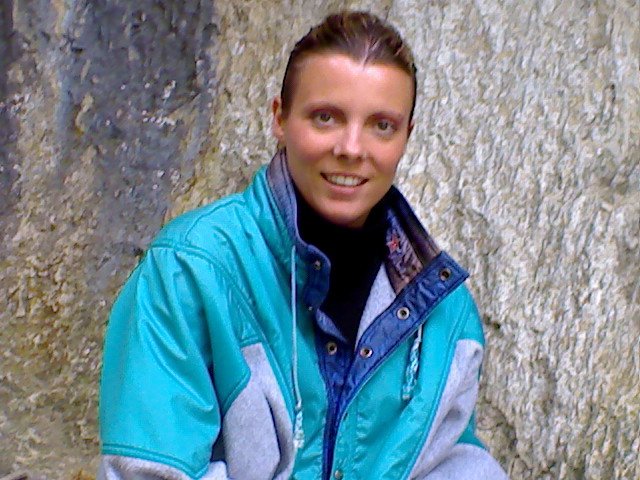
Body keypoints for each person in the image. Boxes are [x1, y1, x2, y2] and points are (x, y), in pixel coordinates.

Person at [98, 10, 509, 480]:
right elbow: (150, 470)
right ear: (279, 118)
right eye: (326, 117)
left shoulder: (445, 312)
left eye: (381, 125)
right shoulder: (190, 270)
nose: (351, 148)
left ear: (406, 137)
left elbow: (454, 462)